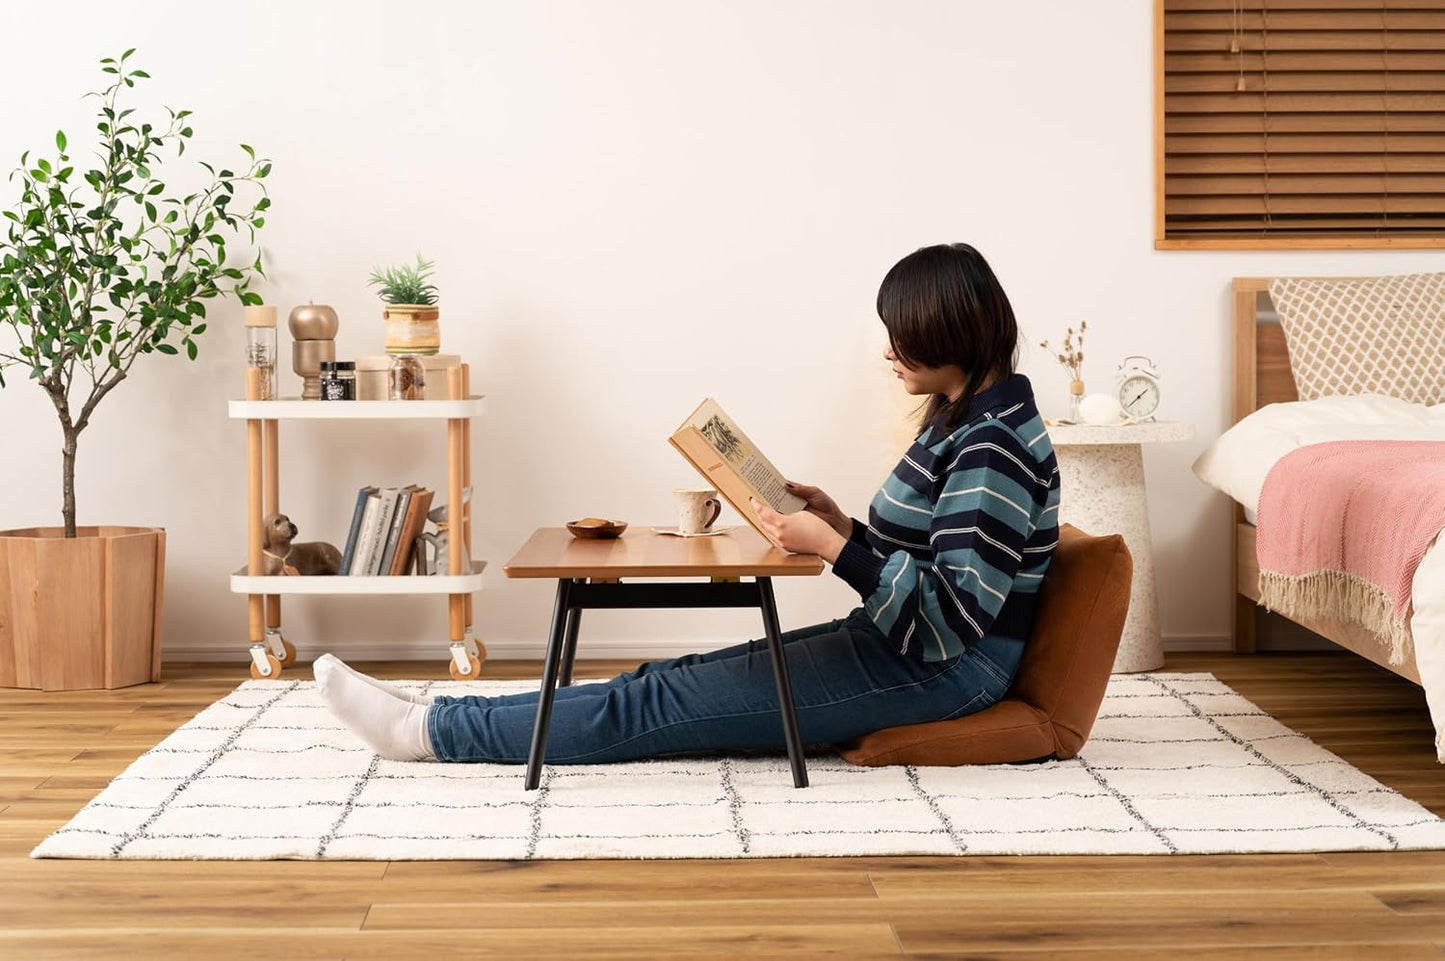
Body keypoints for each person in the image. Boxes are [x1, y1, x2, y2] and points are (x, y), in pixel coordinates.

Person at [314, 242, 1061, 764]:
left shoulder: (990, 444)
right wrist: (844, 524)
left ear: (949, 335)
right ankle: (435, 716)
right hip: (909, 647)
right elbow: (939, 556)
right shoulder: (972, 419)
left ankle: (424, 731)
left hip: (942, 669)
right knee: (658, 681)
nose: (888, 351)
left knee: (656, 707)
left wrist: (835, 550)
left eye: (902, 337)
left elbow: (956, 616)